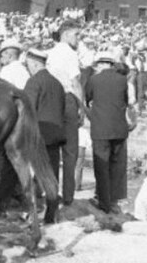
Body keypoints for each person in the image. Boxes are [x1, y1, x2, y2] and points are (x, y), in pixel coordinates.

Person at [85, 52, 129, 214]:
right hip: (119, 128)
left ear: (101, 64)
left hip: (100, 129)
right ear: (111, 64)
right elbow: (125, 100)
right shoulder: (122, 80)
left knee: (101, 166)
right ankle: (115, 200)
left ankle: (104, 202)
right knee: (117, 166)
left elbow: (87, 98)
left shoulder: (93, 80)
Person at [46, 20, 84, 206]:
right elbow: (75, 83)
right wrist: (82, 108)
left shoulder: (50, 53)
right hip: (67, 99)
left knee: (52, 150)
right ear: (66, 33)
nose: (79, 38)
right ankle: (68, 195)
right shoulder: (70, 54)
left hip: (50, 102)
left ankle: (51, 193)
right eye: (77, 34)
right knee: (70, 151)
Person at [23, 48, 66, 182]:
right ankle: (52, 200)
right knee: (52, 171)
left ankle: (37, 200)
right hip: (56, 134)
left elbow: (28, 109)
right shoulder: (57, 83)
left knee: (36, 171)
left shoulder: (34, 81)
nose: (28, 68)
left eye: (28, 65)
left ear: (35, 64)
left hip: (38, 134)